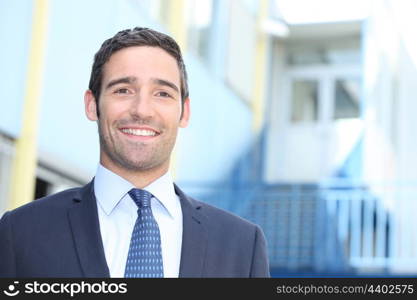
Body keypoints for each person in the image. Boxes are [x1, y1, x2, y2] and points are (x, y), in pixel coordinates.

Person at [0, 27, 270, 278]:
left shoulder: (243, 246)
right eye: (123, 90)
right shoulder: (21, 232)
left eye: (162, 93)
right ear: (93, 105)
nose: (142, 110)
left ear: (184, 112)